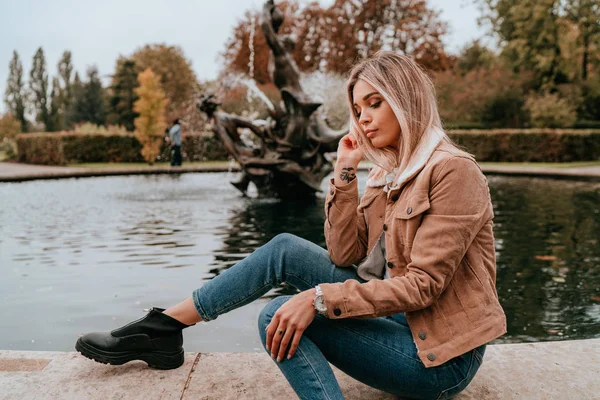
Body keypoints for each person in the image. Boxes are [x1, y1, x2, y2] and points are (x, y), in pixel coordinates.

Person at [76, 52, 506, 399]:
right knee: (284, 248)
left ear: (407, 98)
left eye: (375, 103)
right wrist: (344, 173)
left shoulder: (452, 172)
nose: (365, 118)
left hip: (439, 360)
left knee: (274, 317)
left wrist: (317, 299)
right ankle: (164, 329)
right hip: (402, 323)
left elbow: (422, 286)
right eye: (358, 108)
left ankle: (162, 332)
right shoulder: (387, 173)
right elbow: (344, 255)